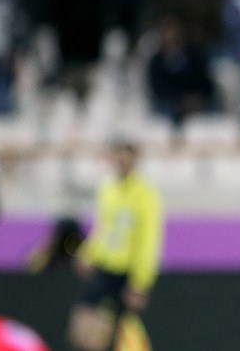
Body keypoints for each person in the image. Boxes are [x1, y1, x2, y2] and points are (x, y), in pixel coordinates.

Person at [67, 140, 163, 351]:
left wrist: (140, 282)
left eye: (126, 156)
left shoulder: (145, 194)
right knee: (79, 330)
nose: (121, 161)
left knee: (104, 335)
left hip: (125, 273)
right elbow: (103, 227)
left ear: (134, 160)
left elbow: (149, 240)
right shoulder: (108, 188)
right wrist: (88, 255)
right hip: (104, 267)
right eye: (118, 156)